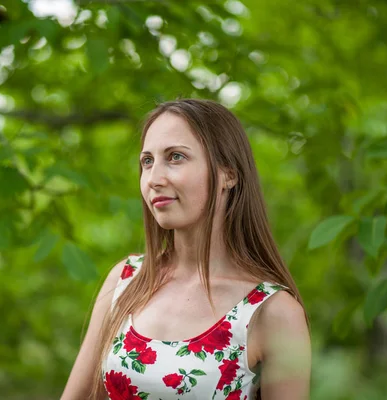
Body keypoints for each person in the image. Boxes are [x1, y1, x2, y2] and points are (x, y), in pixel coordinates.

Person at [61, 99, 311, 400]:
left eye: (176, 157)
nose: (153, 179)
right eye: (147, 161)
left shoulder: (272, 312)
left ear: (228, 174)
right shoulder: (126, 281)